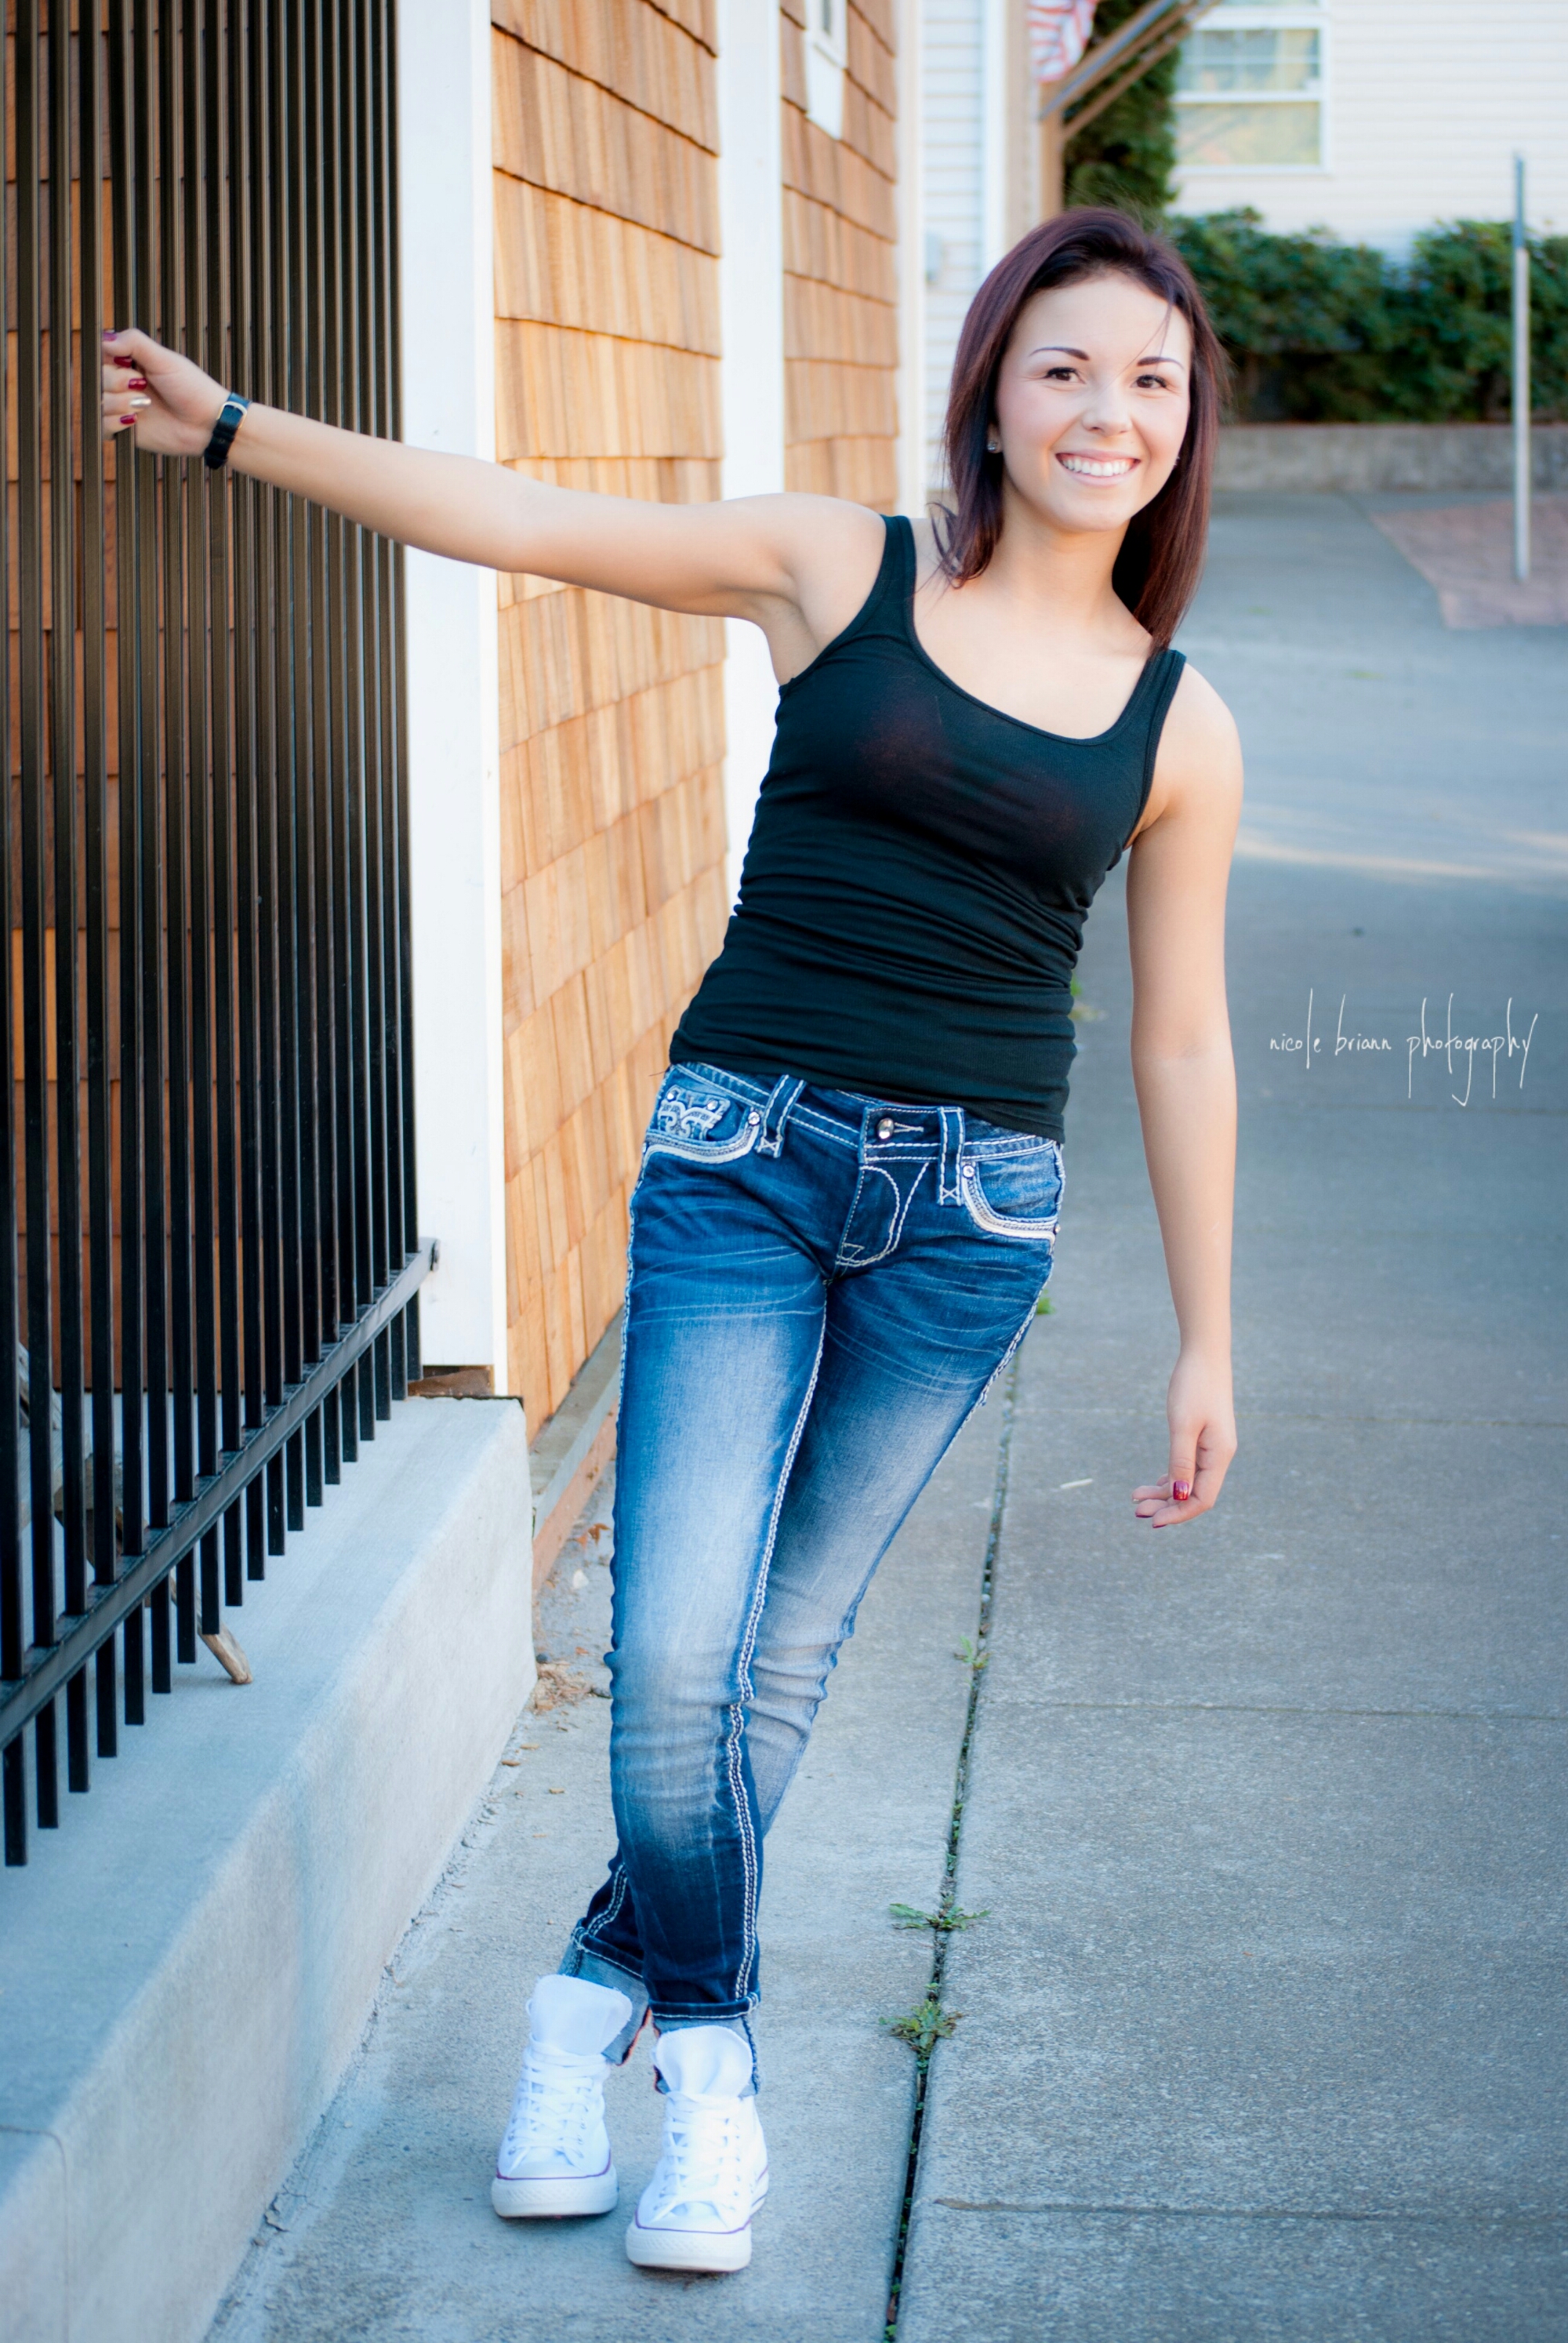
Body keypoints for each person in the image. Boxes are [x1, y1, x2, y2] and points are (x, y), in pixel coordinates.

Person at [104, 206, 1240, 2277]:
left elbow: (1181, 1036)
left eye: (1152, 380)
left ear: (1188, 425)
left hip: (974, 1219)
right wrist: (239, 428)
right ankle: (711, 2061)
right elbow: (531, 520)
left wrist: (1207, 1337)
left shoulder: (1182, 724)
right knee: (673, 1659)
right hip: (744, 1162)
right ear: (992, 391)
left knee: (779, 1657)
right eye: (1068, 365)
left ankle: (575, 2014)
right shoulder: (838, 569)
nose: (1110, 410)